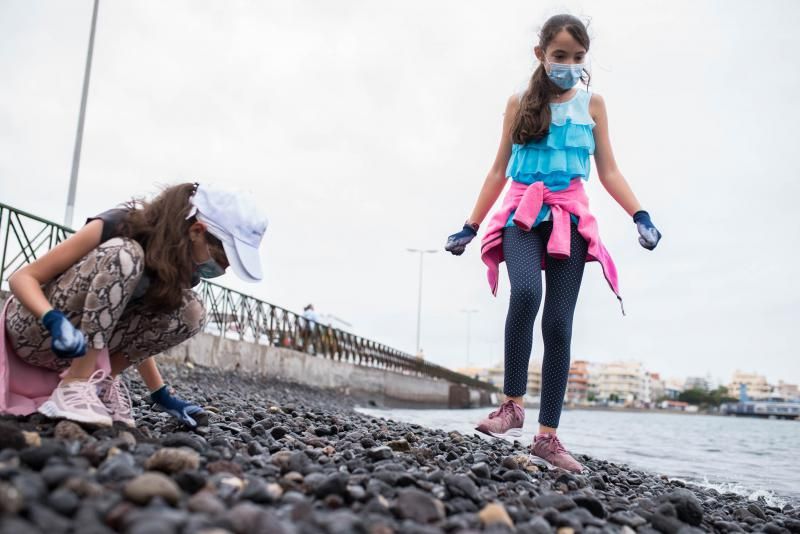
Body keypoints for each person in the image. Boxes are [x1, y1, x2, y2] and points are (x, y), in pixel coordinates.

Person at [444, 14, 661, 472]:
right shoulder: (518, 103)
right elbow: (497, 171)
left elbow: (609, 172)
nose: (567, 64)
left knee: (559, 325)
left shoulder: (594, 105)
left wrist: (640, 214)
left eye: (577, 57)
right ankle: (511, 406)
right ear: (540, 54)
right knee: (525, 293)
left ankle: (547, 438)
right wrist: (471, 224)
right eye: (559, 56)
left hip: (569, 218)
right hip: (522, 214)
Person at [2, 182, 268, 427]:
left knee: (192, 310)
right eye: (222, 258)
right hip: (33, 330)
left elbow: (137, 324)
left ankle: (99, 383)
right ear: (197, 231)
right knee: (126, 254)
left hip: (71, 352)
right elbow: (23, 278)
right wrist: (52, 318)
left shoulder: (184, 270)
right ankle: (76, 384)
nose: (224, 268)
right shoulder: (119, 225)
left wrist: (160, 392)